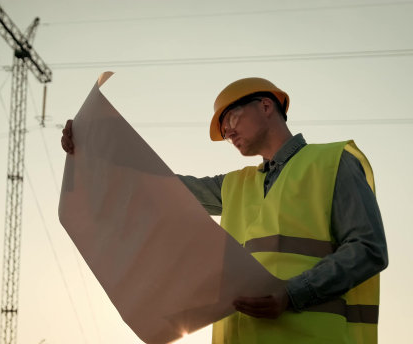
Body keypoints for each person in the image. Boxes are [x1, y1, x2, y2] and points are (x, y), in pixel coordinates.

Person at [61, 77, 388, 344]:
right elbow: (165, 187)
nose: (227, 132)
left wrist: (290, 294)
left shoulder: (332, 163)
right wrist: (95, 151)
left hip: (311, 336)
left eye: (231, 118)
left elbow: (368, 249)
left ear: (265, 105)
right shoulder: (236, 185)